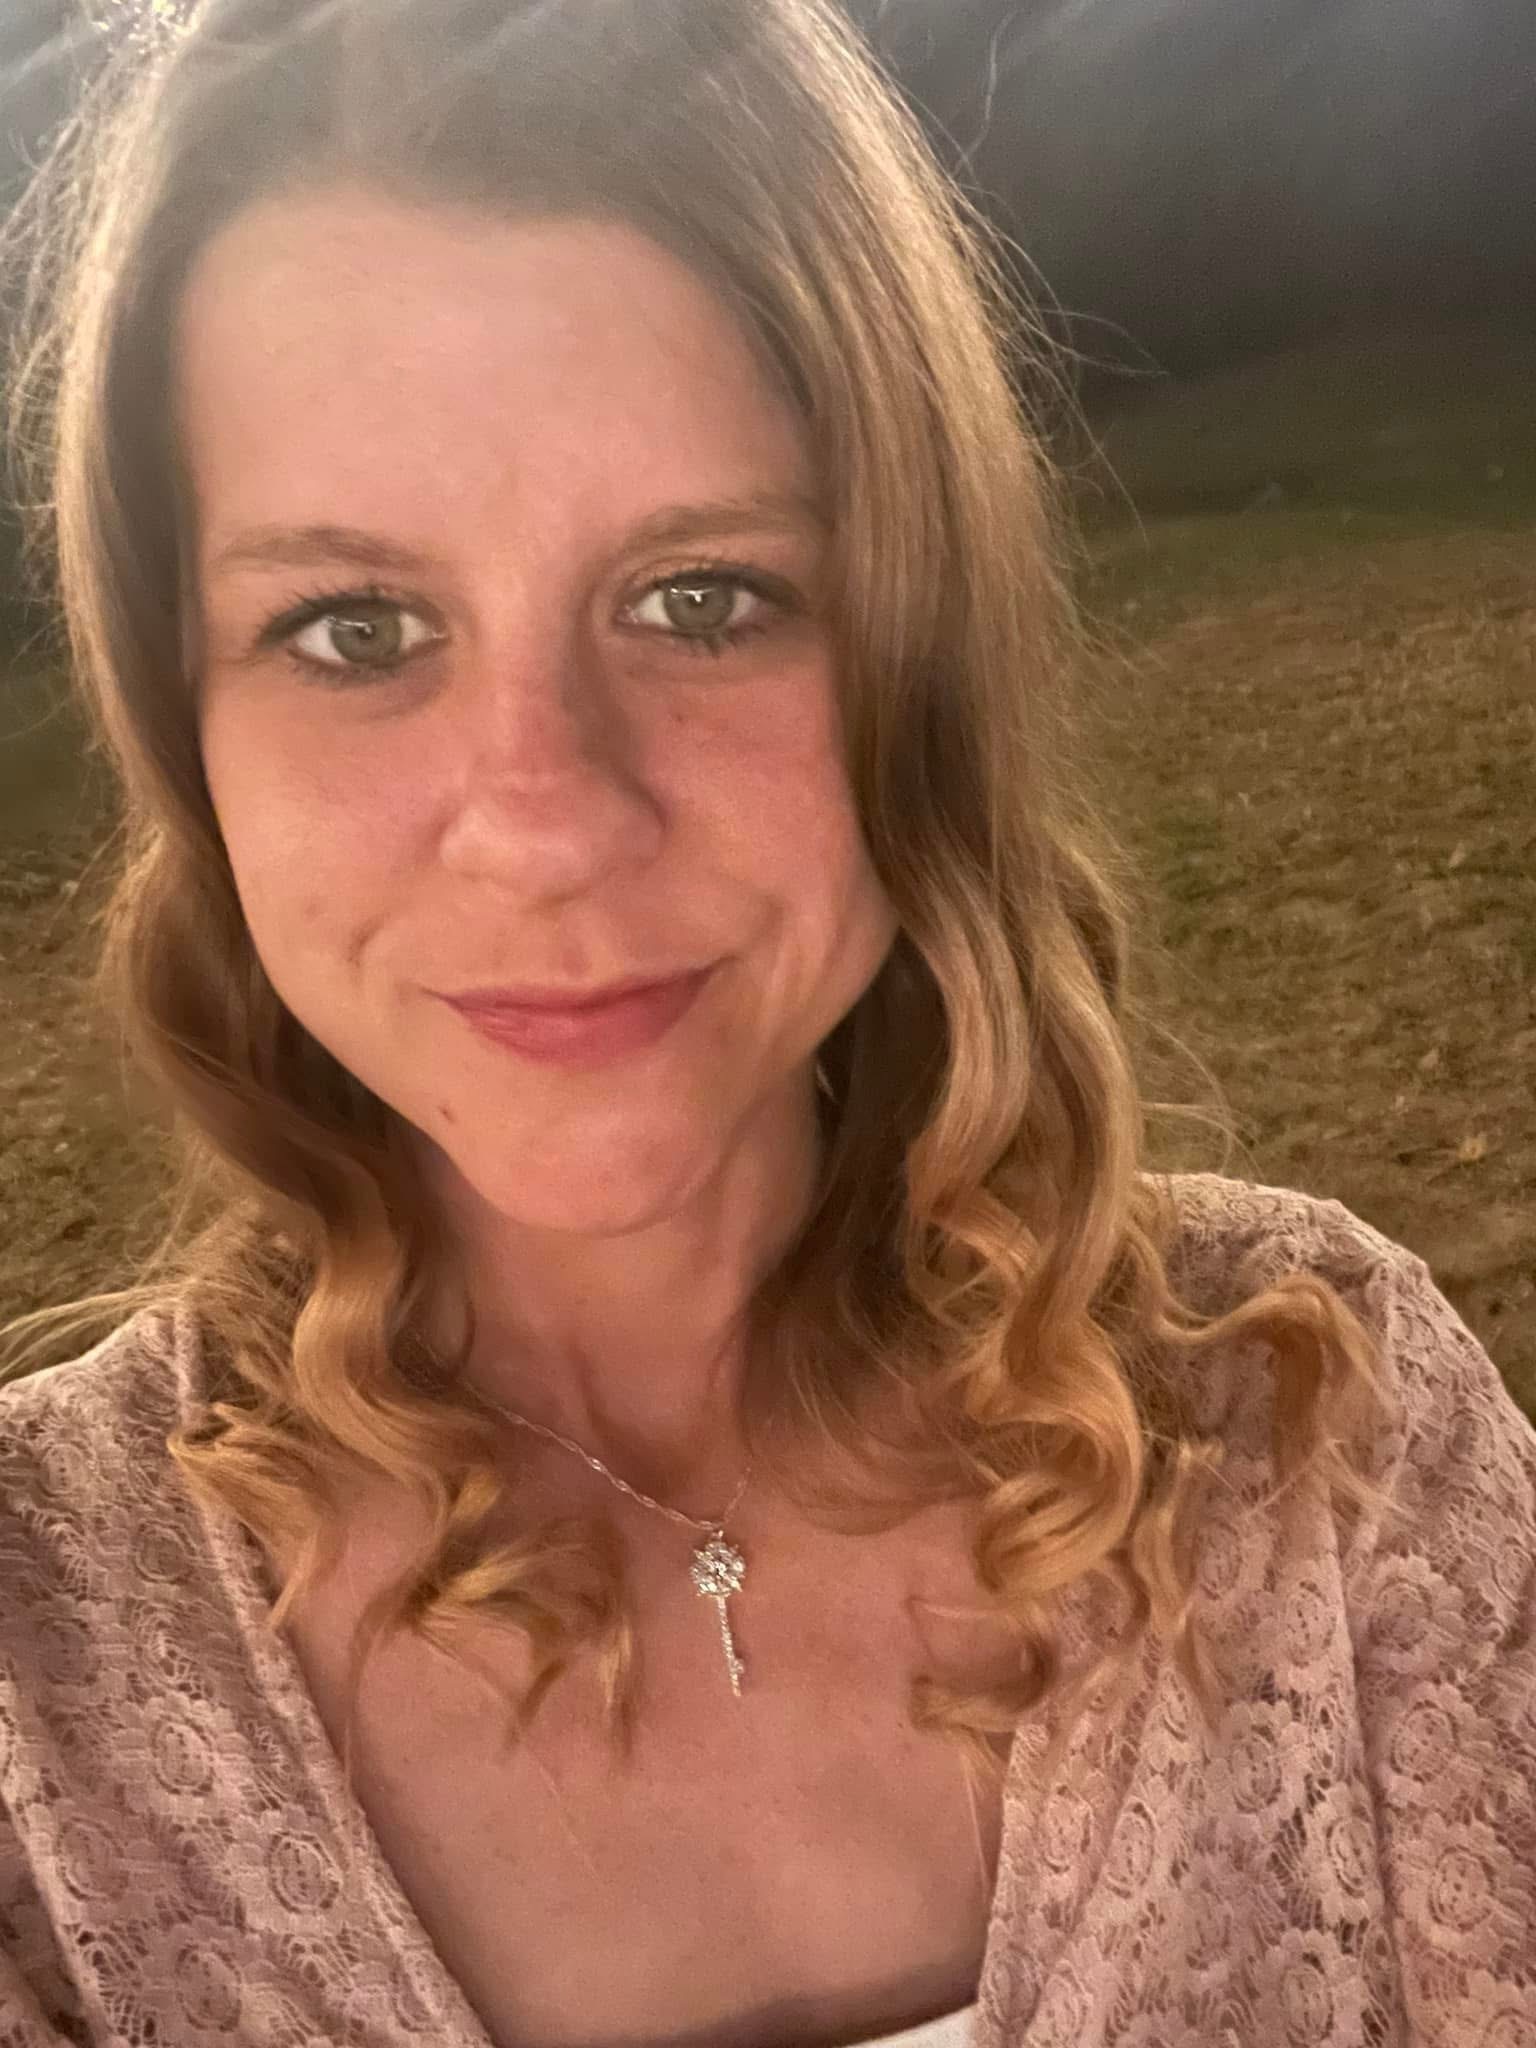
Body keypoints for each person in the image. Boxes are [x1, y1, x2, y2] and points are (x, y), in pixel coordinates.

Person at [0, 0, 1532, 2043]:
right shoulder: (38, 1686)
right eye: (354, 630)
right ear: (187, 735)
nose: (546, 822)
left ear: (916, 657)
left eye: (704, 597)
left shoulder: (1325, 1438)